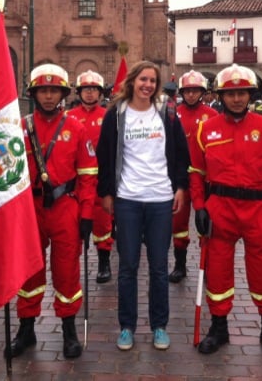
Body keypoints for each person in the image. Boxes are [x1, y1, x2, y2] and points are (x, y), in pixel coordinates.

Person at [188, 63, 262, 357]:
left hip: (258, 208)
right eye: (230, 94)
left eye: (242, 93)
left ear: (250, 94)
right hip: (219, 209)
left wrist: (257, 186)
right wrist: (199, 207)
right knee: (218, 271)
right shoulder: (205, 129)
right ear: (220, 96)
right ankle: (218, 327)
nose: (236, 99)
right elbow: (196, 171)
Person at [96, 60, 189, 352]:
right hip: (128, 200)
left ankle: (159, 325)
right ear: (132, 81)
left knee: (160, 267)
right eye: (143, 79)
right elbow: (104, 156)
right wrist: (107, 193)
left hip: (161, 198)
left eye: (152, 80)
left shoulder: (168, 113)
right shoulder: (116, 115)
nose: (147, 85)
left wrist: (181, 188)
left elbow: (181, 154)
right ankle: (127, 326)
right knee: (128, 266)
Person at [10, 63, 96, 359]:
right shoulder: (20, 127)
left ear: (62, 93)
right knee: (29, 272)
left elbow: (87, 174)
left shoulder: (76, 127)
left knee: (66, 272)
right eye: (43, 90)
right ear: (34, 93)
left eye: (53, 90)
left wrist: (86, 214)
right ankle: (26, 328)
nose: (48, 96)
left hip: (64, 208)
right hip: (29, 209)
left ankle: (69, 330)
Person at [168, 70, 218, 284]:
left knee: (205, 222)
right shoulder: (172, 114)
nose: (190, 95)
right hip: (179, 179)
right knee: (178, 224)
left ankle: (207, 265)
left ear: (202, 92)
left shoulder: (212, 115)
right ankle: (180, 265)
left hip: (204, 178)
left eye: (194, 91)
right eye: (187, 91)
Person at [66, 70, 114, 284]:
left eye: (94, 89)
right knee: (75, 223)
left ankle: (104, 263)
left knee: (103, 223)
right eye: (86, 89)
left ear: (100, 93)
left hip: (100, 179)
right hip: (76, 182)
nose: (89, 93)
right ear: (79, 92)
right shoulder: (69, 117)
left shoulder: (107, 116)